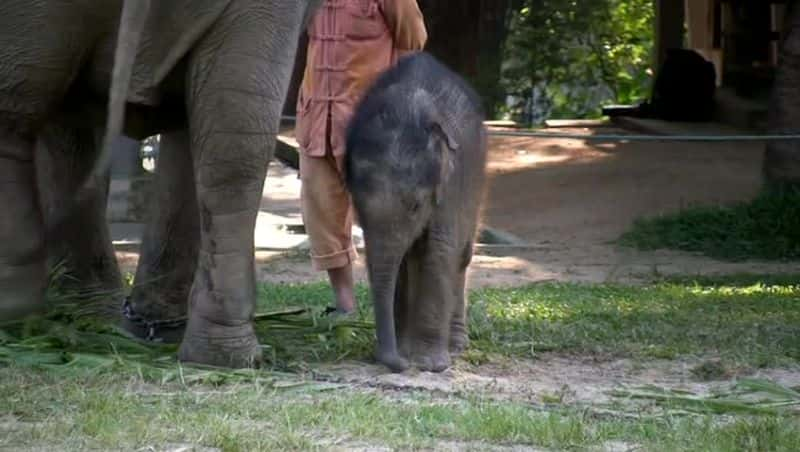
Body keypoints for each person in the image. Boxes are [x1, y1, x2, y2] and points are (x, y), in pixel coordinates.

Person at [294, 0, 428, 316]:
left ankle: (398, 308)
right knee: (322, 217)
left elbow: (414, 41)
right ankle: (345, 305)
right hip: (317, 121)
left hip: (370, 125)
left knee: (384, 218)